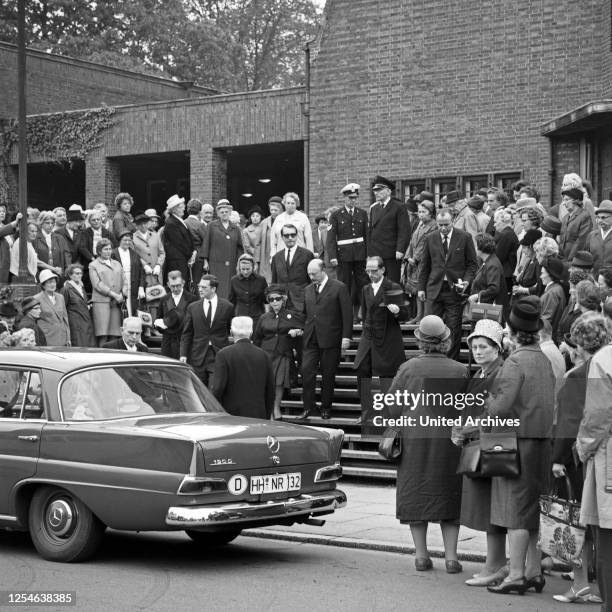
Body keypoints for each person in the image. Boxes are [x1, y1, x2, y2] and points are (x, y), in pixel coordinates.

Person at [387, 315, 468, 573]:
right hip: (449, 444)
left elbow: (391, 407)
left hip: (415, 442)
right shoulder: (460, 369)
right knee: (450, 498)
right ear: (446, 340)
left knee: (416, 496)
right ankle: (452, 558)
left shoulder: (408, 368)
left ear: (420, 341)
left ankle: (421, 556)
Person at [485, 296, 555, 596]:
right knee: (533, 511)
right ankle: (533, 571)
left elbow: (499, 407)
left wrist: (486, 401)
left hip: (514, 441)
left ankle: (515, 575)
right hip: (542, 440)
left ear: (512, 332)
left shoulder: (515, 361)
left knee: (514, 509)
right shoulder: (543, 358)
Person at [552, 313, 611, 604]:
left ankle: (582, 583)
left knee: (580, 523)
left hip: (585, 457)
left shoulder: (580, 373)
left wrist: (559, 457)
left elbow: (574, 421)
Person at [451, 319, 507, 587]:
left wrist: (466, 427)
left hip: (494, 444)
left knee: (491, 505)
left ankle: (496, 565)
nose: (478, 351)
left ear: (497, 348)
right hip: (477, 443)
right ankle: (494, 563)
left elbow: (495, 412)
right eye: (475, 346)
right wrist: (458, 425)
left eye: (484, 346)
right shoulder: (480, 373)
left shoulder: (500, 372)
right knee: (485, 505)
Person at [576, 334, 612, 612]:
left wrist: (583, 447)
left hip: (608, 455)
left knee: (608, 536)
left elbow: (597, 414)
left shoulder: (604, 359)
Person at [417, 208, 478, 360]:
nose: (443, 228)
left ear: (453, 221)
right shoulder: (430, 238)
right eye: (440, 225)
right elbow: (424, 265)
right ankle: (430, 359)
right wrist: (420, 288)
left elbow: (472, 264)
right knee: (430, 326)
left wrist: (467, 281)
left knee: (453, 328)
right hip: (434, 289)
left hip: (454, 291)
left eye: (446, 224)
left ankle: (451, 361)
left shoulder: (464, 237)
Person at [354, 256, 408, 427]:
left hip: (387, 337)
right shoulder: (365, 289)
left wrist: (398, 310)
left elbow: (406, 314)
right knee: (361, 371)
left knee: (387, 377)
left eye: (374, 271)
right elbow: (365, 314)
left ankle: (388, 414)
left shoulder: (392, 287)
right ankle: (366, 410)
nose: (371, 274)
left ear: (383, 270)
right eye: (368, 271)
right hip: (369, 336)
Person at [299, 259, 352, 420]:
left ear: (323, 271)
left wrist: (346, 337)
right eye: (309, 274)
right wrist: (300, 328)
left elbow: (347, 314)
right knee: (306, 371)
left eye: (314, 273)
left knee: (328, 374)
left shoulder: (338, 287)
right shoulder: (307, 289)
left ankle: (326, 407)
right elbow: (304, 313)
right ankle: (309, 407)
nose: (311, 276)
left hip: (331, 338)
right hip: (311, 338)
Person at [253, 285, 305, 420]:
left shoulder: (292, 316)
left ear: (284, 299)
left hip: (283, 353)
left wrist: (298, 332)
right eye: (271, 299)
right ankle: (269, 410)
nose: (274, 302)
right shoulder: (264, 318)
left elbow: (306, 330)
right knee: (267, 384)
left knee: (278, 383)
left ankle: (275, 408)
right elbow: (257, 338)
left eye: (277, 299)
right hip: (266, 355)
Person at [211, 316, 275, 420]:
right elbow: (270, 391)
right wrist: (266, 416)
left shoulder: (223, 355)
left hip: (230, 418)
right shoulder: (264, 356)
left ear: (231, 332)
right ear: (251, 332)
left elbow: (218, 389)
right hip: (258, 416)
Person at [179, 274, 233, 385]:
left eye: (204, 287)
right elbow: (187, 333)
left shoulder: (227, 307)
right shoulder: (192, 307)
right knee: (198, 390)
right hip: (198, 355)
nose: (200, 290)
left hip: (218, 354)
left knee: (215, 390)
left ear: (213, 289)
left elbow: (228, 328)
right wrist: (183, 354)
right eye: (199, 287)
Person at [327, 183, 369, 320]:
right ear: (344, 198)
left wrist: (368, 255)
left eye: (355, 198)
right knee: (344, 284)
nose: (353, 200)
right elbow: (331, 238)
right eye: (350, 198)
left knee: (363, 283)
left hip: (360, 255)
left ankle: (363, 310)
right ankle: (346, 312)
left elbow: (367, 236)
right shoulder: (336, 215)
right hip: (343, 256)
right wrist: (333, 256)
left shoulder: (362, 213)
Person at [367, 175, 411, 282]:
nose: (376, 193)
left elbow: (404, 230)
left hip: (391, 253)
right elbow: (371, 231)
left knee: (391, 282)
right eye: (374, 190)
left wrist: (400, 249)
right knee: (377, 282)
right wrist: (369, 253)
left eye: (379, 190)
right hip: (376, 253)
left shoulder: (399, 207)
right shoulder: (374, 208)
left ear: (388, 191)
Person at [403, 199, 437, 323]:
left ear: (430, 213)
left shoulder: (434, 226)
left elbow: (426, 244)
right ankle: (418, 315)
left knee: (423, 287)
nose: (420, 214)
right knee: (416, 288)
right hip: (413, 262)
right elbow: (412, 242)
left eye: (424, 212)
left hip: (425, 261)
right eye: (419, 212)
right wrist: (408, 256)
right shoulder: (419, 224)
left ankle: (424, 316)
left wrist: (416, 258)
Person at [202, 199, 244, 299]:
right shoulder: (212, 226)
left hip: (231, 264)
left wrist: (240, 263)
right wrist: (205, 261)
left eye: (226, 212)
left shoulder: (235, 228)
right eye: (222, 212)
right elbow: (206, 243)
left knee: (230, 288)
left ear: (230, 213)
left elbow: (239, 248)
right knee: (217, 287)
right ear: (218, 213)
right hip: (216, 264)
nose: (224, 214)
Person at [154, 270, 198, 359]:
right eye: (172, 286)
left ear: (183, 283)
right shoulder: (164, 299)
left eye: (178, 285)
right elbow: (159, 319)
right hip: (168, 343)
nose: (175, 289)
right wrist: (159, 325)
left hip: (184, 343)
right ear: (168, 284)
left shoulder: (192, 299)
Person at [271, 223, 314, 312]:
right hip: (282, 302)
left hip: (301, 302)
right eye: (286, 235)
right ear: (282, 237)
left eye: (293, 235)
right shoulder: (276, 257)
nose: (290, 238)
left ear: (296, 235)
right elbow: (274, 282)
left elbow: (311, 281)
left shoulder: (307, 255)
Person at [89, 238, 124, 346]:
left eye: (110, 249)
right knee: (102, 334)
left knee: (114, 333)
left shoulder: (117, 263)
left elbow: (124, 279)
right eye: (105, 249)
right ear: (99, 251)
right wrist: (113, 294)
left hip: (116, 303)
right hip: (101, 302)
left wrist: (122, 293)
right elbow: (97, 284)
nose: (108, 251)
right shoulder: (93, 265)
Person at [132, 213, 165, 326]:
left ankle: (154, 326)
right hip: (143, 274)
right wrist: (144, 265)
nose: (144, 226)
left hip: (155, 274)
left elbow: (162, 252)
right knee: (144, 301)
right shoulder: (133, 237)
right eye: (140, 224)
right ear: (137, 225)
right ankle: (146, 328)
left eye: (145, 223)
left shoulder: (155, 235)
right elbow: (134, 255)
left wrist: (158, 265)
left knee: (156, 299)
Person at [467, 233, 508, 318]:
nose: (474, 248)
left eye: (475, 245)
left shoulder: (492, 264)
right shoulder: (488, 261)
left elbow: (494, 289)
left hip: (488, 311)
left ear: (481, 247)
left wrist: (477, 296)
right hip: (484, 308)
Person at [162, 194, 196, 286]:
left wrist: (193, 251)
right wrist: (190, 254)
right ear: (175, 209)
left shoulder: (178, 220)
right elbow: (179, 243)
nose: (184, 209)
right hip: (177, 262)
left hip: (181, 260)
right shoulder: (171, 223)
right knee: (179, 286)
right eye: (181, 207)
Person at [60, 263, 96, 347]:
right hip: (75, 324)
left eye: (80, 273)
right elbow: (62, 308)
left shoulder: (81, 287)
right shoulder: (66, 289)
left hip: (85, 322)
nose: (79, 275)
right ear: (70, 275)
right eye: (77, 273)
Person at [112, 231, 146, 318]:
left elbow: (141, 271)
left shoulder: (134, 254)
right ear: (119, 241)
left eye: (129, 240)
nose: (127, 242)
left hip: (133, 283)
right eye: (124, 240)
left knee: (132, 305)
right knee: (122, 307)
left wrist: (141, 286)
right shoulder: (114, 253)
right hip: (119, 283)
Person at [228, 253, 267, 326]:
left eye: (248, 269)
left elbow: (266, 300)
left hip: (257, 317)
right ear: (239, 268)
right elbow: (231, 301)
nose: (245, 272)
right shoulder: (234, 280)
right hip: (240, 316)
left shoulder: (261, 280)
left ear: (253, 267)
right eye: (243, 269)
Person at [34, 269, 71, 346]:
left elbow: (65, 318)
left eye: (54, 282)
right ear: (43, 285)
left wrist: (68, 337)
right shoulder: (37, 298)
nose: (52, 284)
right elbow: (34, 318)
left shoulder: (60, 297)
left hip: (62, 336)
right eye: (49, 282)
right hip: (47, 337)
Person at [540, 256, 569, 344]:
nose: (540, 276)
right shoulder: (556, 289)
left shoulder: (552, 293)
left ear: (550, 275)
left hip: (546, 339)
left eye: (542, 273)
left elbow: (546, 320)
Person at [33, 211, 71, 280]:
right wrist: (53, 269)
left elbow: (67, 256)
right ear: (41, 223)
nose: (50, 225)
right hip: (40, 274)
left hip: (58, 275)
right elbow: (35, 260)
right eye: (47, 223)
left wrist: (68, 272)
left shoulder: (59, 238)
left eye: (52, 223)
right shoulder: (35, 238)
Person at [558, 187, 593, 262]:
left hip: (576, 261)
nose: (564, 203)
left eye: (567, 199)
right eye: (563, 200)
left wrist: (571, 260)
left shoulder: (584, 216)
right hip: (563, 260)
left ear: (576, 200)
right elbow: (562, 241)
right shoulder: (565, 218)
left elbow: (581, 241)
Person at [493, 208, 519, 298]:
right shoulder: (508, 233)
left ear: (502, 222)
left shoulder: (506, 235)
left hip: (506, 274)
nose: (494, 225)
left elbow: (499, 256)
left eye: (496, 222)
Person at [511, 229, 542, 302]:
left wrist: (523, 290)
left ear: (532, 247)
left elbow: (539, 287)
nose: (523, 250)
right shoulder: (529, 260)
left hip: (528, 301)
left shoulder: (538, 263)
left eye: (524, 247)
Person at [259, 196, 284, 283]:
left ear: (281, 209)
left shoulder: (285, 221)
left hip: (281, 253)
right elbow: (258, 243)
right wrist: (257, 260)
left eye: (275, 210)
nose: (273, 212)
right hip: (267, 256)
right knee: (268, 280)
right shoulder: (264, 223)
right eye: (271, 210)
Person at [184, 198, 207, 286]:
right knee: (197, 283)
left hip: (186, 256)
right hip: (198, 257)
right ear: (200, 211)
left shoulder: (183, 222)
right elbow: (206, 241)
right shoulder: (200, 225)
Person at [586, 199, 612, 278]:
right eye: (598, 217)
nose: (600, 221)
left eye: (603, 217)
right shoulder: (592, 236)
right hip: (595, 281)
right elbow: (586, 260)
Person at [242, 206, 264, 273]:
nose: (255, 218)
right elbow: (247, 246)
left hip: (265, 257)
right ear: (250, 218)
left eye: (257, 216)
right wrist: (258, 254)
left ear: (261, 217)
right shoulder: (246, 231)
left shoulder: (265, 228)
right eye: (253, 216)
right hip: (253, 257)